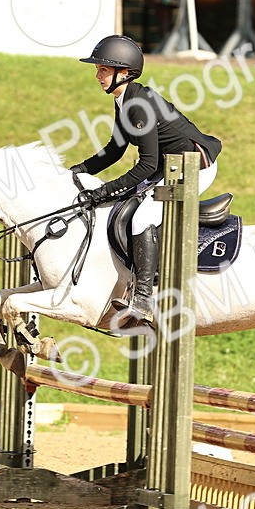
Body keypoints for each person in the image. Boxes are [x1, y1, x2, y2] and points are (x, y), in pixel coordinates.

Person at [70, 34, 222, 326]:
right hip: (169, 166)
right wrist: (75, 172)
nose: (97, 75)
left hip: (194, 167)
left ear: (124, 72)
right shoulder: (125, 100)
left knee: (143, 217)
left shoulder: (139, 104)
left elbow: (147, 164)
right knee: (124, 206)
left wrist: (103, 190)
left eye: (103, 69)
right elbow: (114, 151)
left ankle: (144, 298)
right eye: (98, 69)